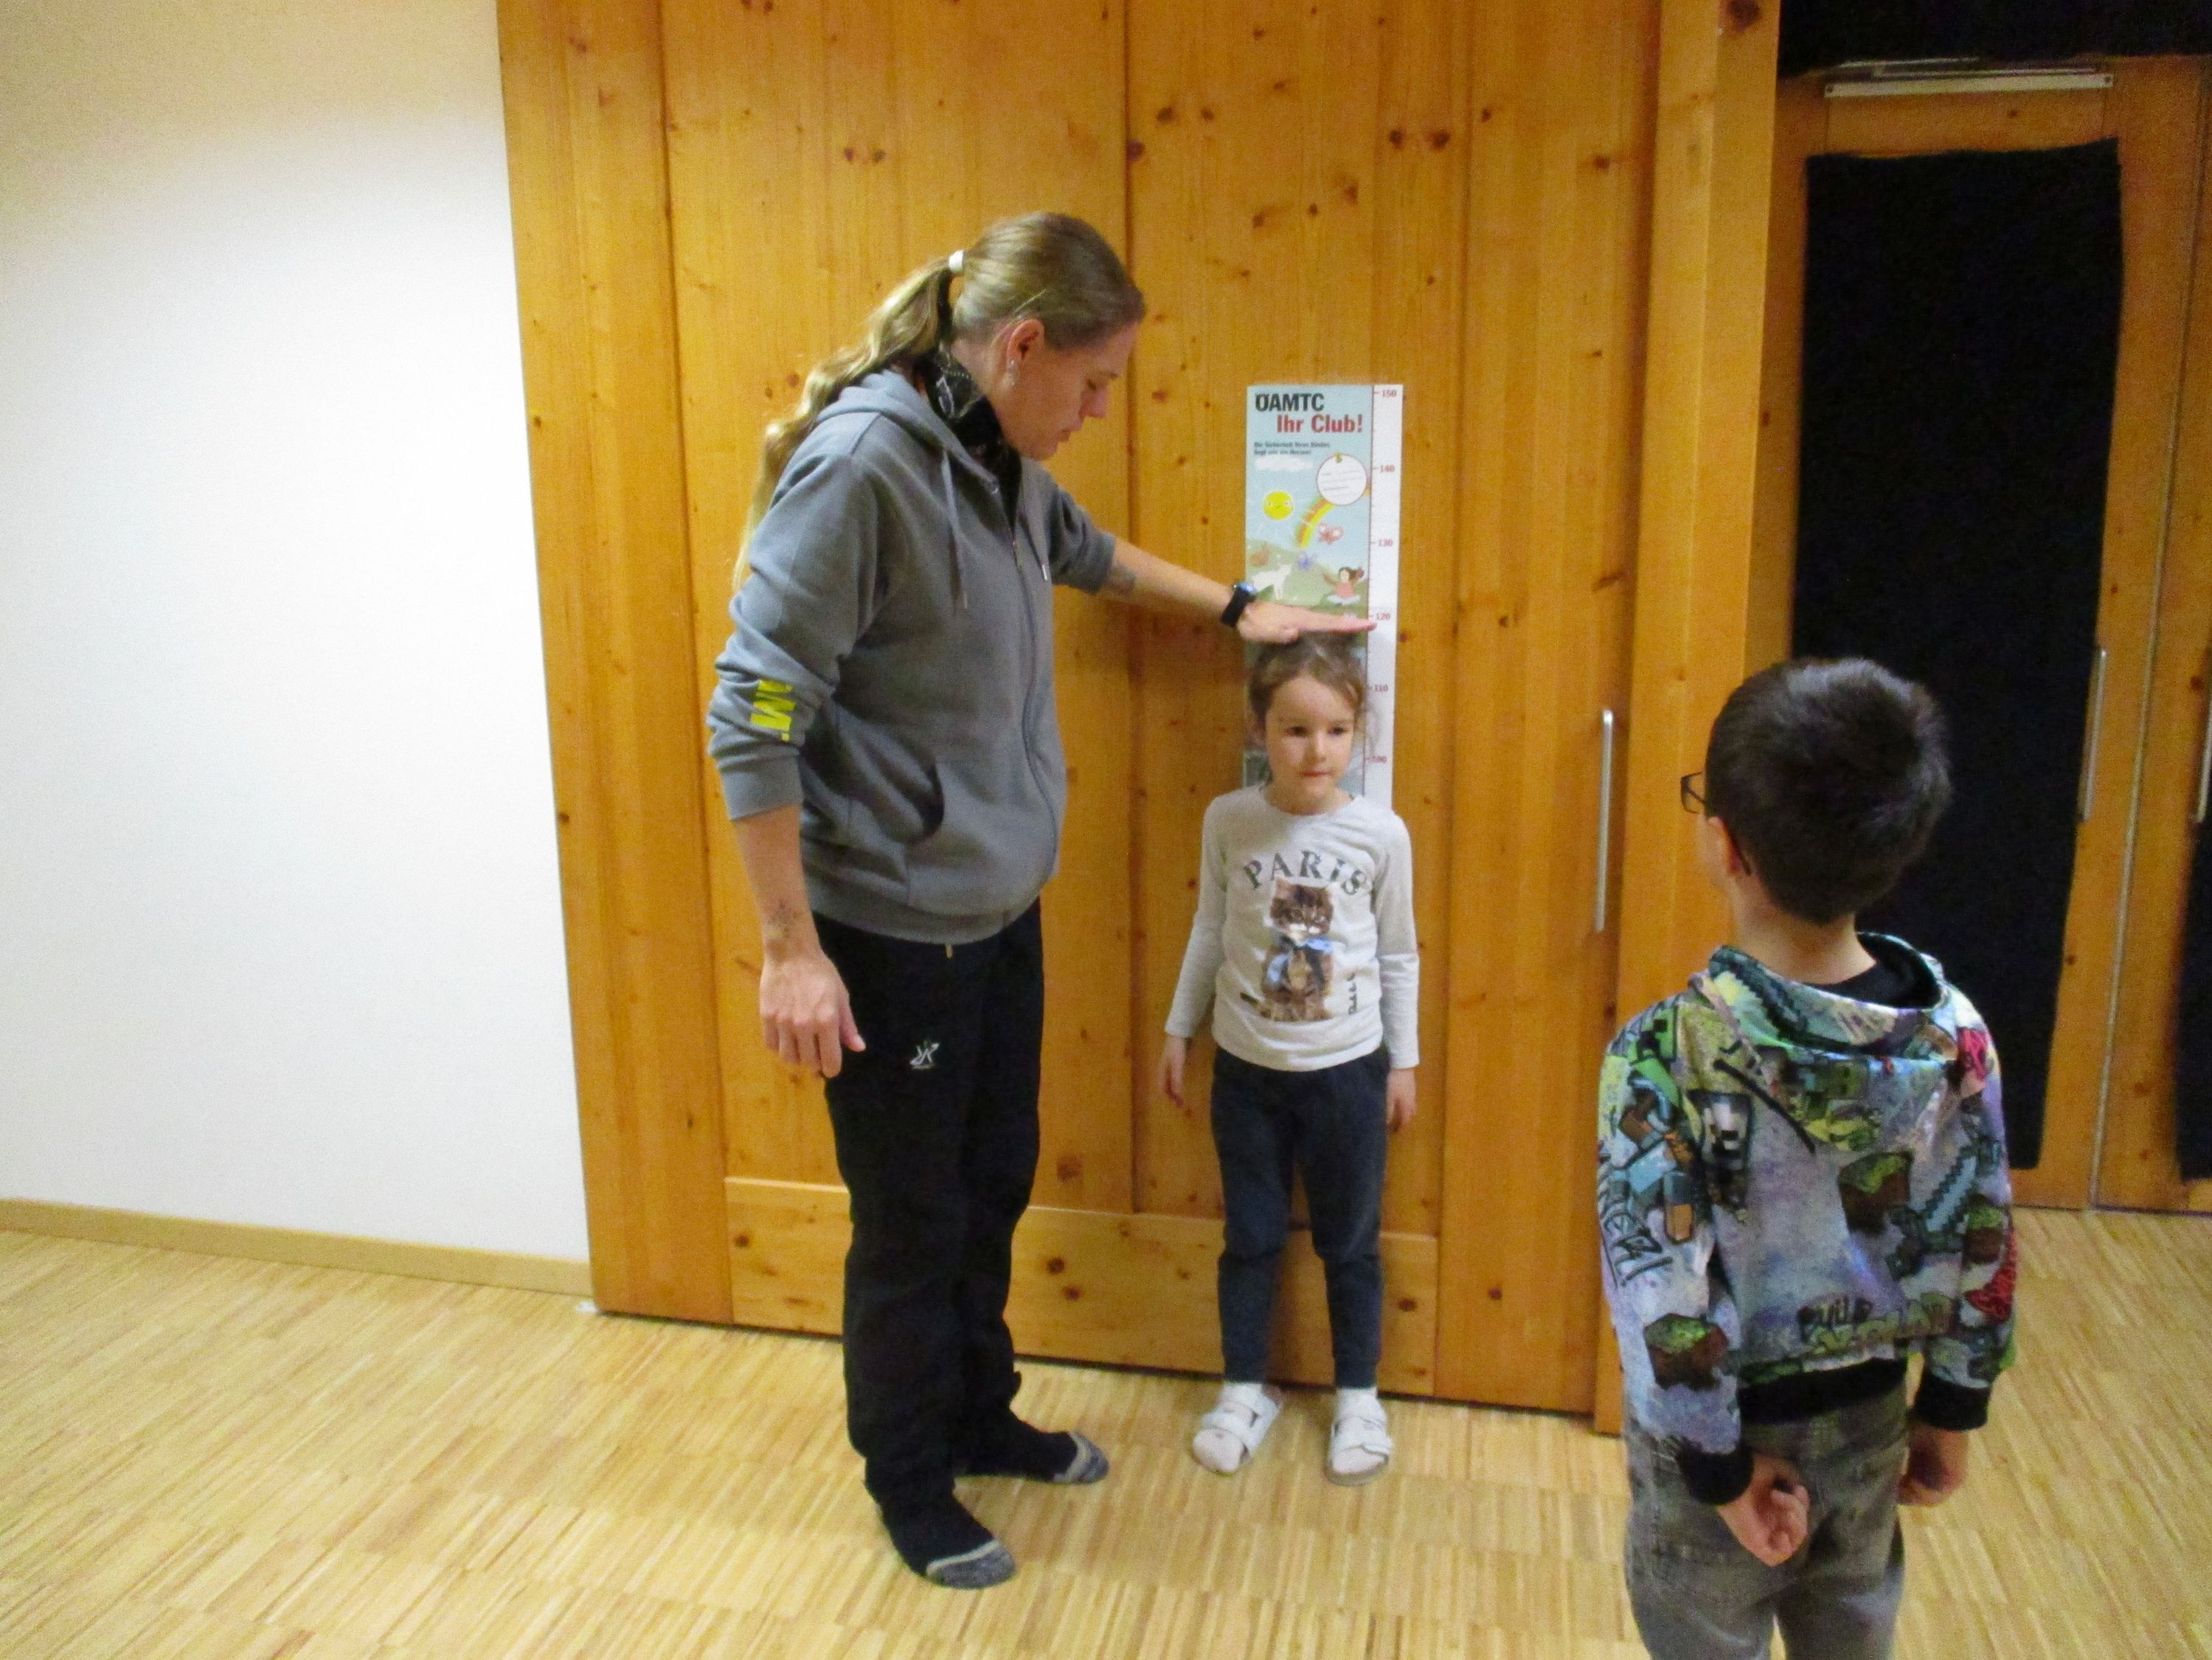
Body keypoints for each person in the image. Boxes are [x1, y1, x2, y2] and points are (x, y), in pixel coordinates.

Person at [706, 212, 1365, 1590]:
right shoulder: (864, 469)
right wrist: (788, 947)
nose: (1100, 408)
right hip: (889, 933)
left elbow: (1088, 552)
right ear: (1018, 346)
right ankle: (907, 1478)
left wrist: (1240, 609)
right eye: (1094, 380)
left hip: (996, 913)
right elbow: (753, 708)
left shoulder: (997, 459)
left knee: (992, 1182)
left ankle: (976, 1412)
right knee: (911, 1222)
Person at [1598, 658, 2017, 1659]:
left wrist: (1715, 1471)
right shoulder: (1953, 1035)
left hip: (1717, 1446)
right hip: (1867, 1420)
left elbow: (1660, 1285)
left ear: (1724, 845)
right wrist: (1950, 1405)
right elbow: (1984, 1229)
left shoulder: (1662, 1054)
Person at [1157, 634, 1418, 1486]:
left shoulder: (1380, 835)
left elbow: (1397, 955)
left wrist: (1403, 1063)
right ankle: (1243, 1389)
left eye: (1335, 730)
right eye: (1295, 730)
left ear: (1358, 733)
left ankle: (1357, 1398)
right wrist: (1178, 1027)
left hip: (1348, 1072)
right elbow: (1207, 927)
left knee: (1350, 1244)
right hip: (1245, 1072)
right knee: (1250, 1238)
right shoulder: (1228, 821)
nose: (1316, 751)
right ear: (1258, 728)